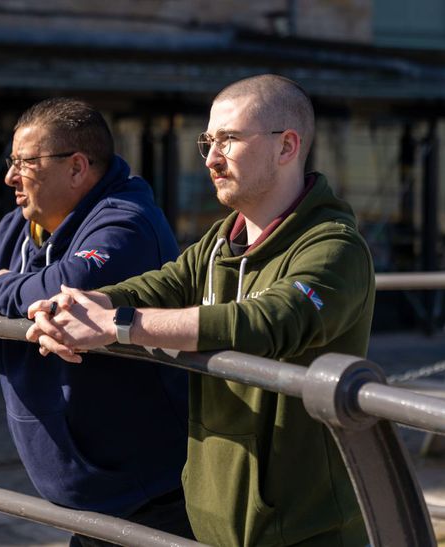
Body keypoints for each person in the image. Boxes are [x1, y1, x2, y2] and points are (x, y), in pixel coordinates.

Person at [27, 76, 374, 547]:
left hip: (304, 530)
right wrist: (73, 304)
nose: (211, 158)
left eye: (229, 140)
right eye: (208, 141)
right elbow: (160, 285)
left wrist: (119, 326)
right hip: (211, 520)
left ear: (287, 146)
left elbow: (273, 320)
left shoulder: (334, 245)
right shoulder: (218, 241)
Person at [0, 98, 192, 543]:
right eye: (12, 161)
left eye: (26, 163)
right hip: (91, 498)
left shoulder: (127, 220)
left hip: (147, 497)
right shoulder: (25, 224)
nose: (10, 176)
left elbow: (68, 285)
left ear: (76, 168)